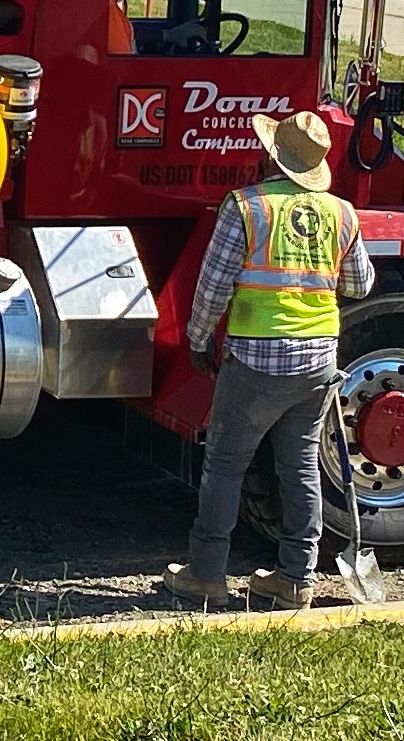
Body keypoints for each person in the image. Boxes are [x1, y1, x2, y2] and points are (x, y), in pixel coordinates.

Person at [161, 107, 375, 613]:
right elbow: (360, 284)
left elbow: (214, 285)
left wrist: (196, 339)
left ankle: (207, 575)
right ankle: (295, 580)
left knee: (226, 463)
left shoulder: (247, 207)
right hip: (319, 358)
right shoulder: (343, 213)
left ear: (269, 155)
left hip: (258, 358)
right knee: (299, 465)